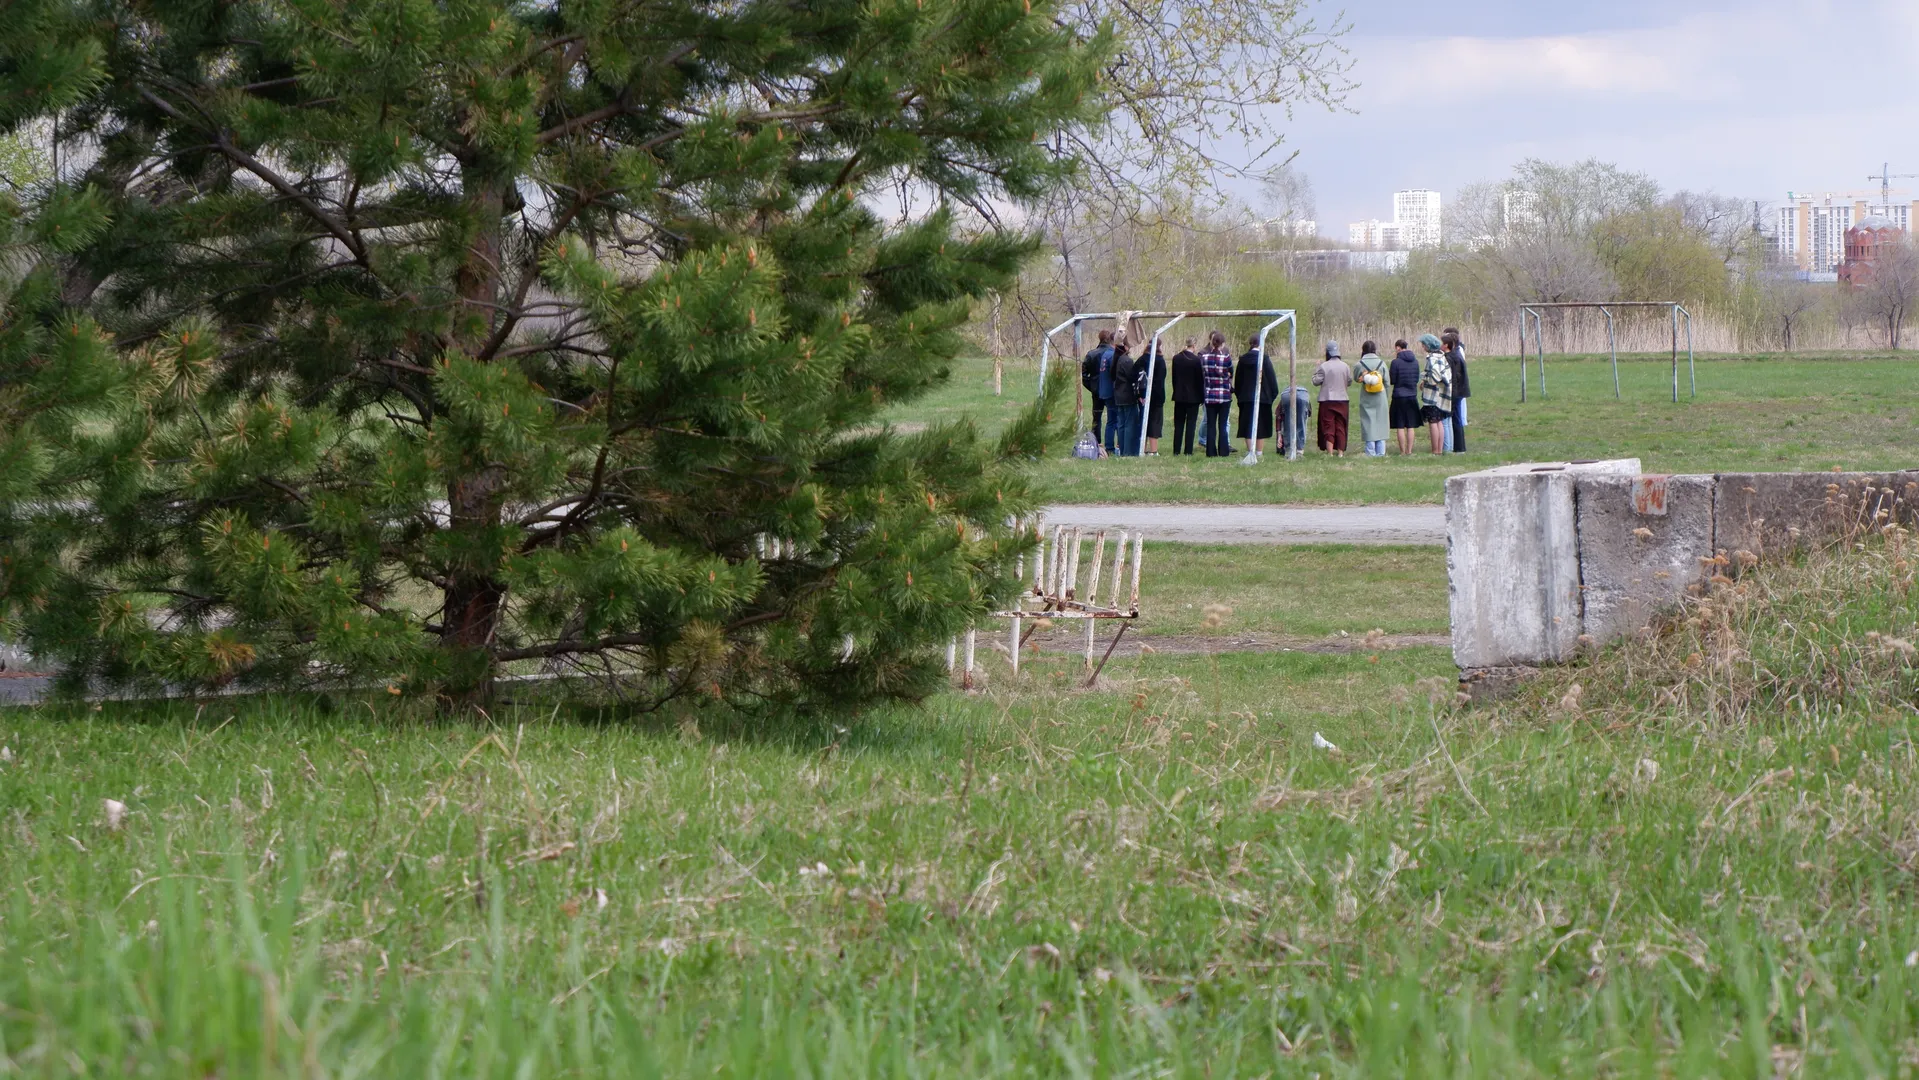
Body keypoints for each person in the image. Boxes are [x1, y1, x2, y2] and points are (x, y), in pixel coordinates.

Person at [1234, 334, 1279, 456]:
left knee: (1248, 425)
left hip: (1246, 398)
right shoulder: (1264, 359)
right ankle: (1259, 452)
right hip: (1263, 398)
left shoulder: (1243, 360)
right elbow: (1272, 380)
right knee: (1261, 426)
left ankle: (1251, 452)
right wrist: (1271, 396)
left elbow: (1237, 381)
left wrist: (1240, 396)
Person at [1312, 340, 1352, 456]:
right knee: (1341, 425)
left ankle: (1329, 452)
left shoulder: (1324, 366)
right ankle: (1340, 453)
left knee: (1328, 425)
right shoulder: (1345, 366)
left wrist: (1316, 368)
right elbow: (1349, 382)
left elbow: (1315, 381)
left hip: (1327, 400)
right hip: (1343, 400)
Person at [1199, 331, 1235, 458]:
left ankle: (1210, 451)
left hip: (1209, 395)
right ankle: (1223, 451)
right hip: (1224, 395)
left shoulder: (1204, 358)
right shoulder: (1226, 357)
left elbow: (1203, 373)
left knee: (1211, 425)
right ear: (1222, 344)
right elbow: (1231, 371)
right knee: (1223, 424)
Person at [1352, 340, 1390, 457]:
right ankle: (1381, 451)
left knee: (1368, 423)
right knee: (1381, 424)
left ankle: (1370, 451)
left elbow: (1355, 378)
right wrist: (1386, 396)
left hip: (1367, 397)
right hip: (1380, 397)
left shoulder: (1359, 364)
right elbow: (1387, 382)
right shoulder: (1382, 363)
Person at [1417, 333, 1453, 455]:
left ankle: (1435, 450)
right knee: (1439, 422)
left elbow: (1435, 377)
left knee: (1433, 422)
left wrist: (1425, 378)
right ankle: (1440, 449)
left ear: (1428, 345)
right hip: (1442, 395)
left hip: (1433, 396)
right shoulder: (1442, 356)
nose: (1423, 347)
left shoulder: (1432, 358)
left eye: (1423, 344)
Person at [1169, 337, 1204, 456]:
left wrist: (1176, 390)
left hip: (1179, 395)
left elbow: (1174, 377)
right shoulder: (1196, 360)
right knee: (1191, 424)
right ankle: (1188, 450)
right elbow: (1200, 380)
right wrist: (1201, 396)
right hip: (1193, 397)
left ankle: (1176, 450)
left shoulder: (1176, 358)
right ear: (1194, 346)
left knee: (1178, 424)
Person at [1110, 333, 1143, 456]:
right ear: (1125, 347)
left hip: (1119, 395)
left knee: (1122, 424)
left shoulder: (1117, 359)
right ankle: (1129, 452)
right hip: (1127, 396)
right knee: (1130, 424)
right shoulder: (1126, 360)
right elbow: (1132, 376)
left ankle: (1123, 450)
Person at [1081, 329, 1114, 449]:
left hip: (1096, 390)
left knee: (1097, 417)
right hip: (1110, 390)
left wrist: (1092, 386)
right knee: (1113, 417)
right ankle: (1113, 443)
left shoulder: (1091, 354)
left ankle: (1096, 442)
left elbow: (1083, 374)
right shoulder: (1113, 353)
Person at [1388, 338, 1421, 456]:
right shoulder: (1415, 361)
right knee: (1410, 425)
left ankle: (1402, 451)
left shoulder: (1395, 362)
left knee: (1400, 425)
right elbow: (1417, 379)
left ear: (1398, 348)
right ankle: (1410, 450)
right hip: (1412, 394)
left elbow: (1392, 380)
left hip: (1399, 395)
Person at [1103, 332, 1134, 455]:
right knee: (1124, 423)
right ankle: (1123, 449)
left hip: (1115, 394)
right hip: (1123, 394)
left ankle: (1117, 447)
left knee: (1118, 422)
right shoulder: (1123, 360)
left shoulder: (1113, 357)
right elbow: (1131, 377)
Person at [1443, 328, 1470, 454]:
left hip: (1456, 392)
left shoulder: (1452, 357)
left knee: (1456, 419)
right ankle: (1459, 446)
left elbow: (1454, 376)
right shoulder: (1457, 354)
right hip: (1459, 391)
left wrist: (1451, 392)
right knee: (1457, 418)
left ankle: (1458, 446)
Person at [1140, 337, 1168, 455]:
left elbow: (1135, 374)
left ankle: (1143, 448)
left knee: (1144, 421)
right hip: (1157, 396)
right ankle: (1153, 450)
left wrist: (1140, 394)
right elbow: (1161, 378)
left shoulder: (1143, 359)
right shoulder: (1160, 360)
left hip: (1143, 395)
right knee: (1155, 422)